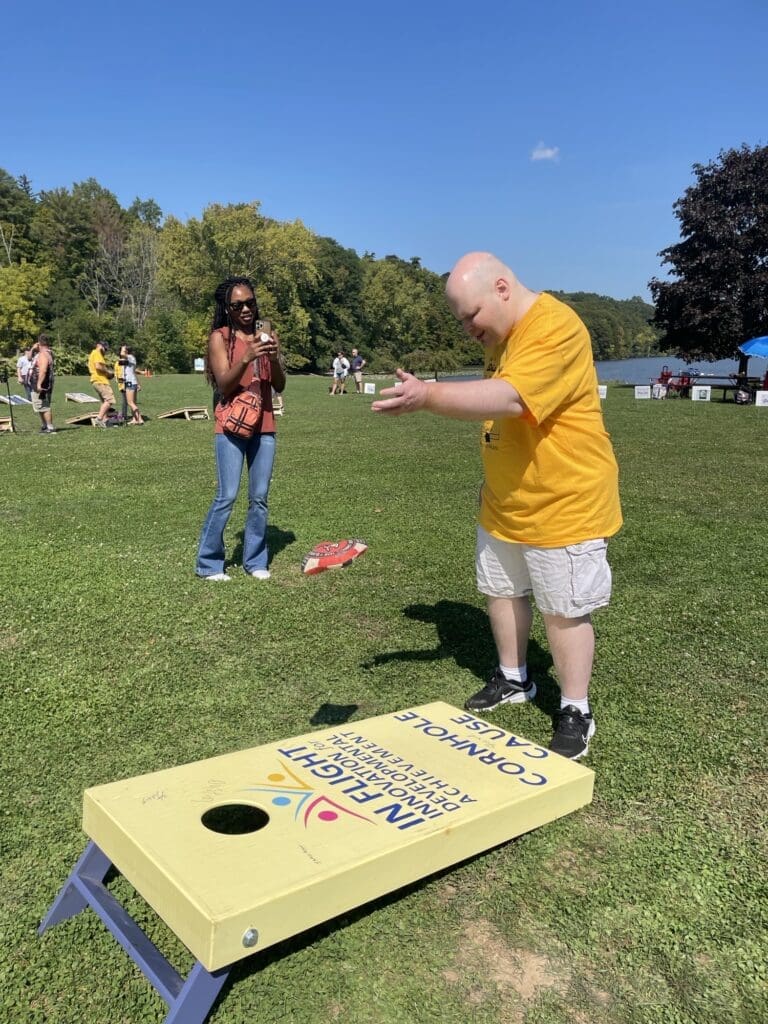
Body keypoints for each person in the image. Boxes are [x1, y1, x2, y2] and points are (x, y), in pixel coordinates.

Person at [372, 252, 622, 759]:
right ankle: (513, 677)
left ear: (503, 288)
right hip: (506, 502)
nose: (468, 330)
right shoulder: (502, 336)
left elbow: (510, 399)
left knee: (564, 610)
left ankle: (576, 708)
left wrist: (428, 396)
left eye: (472, 316)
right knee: (502, 591)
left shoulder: (555, 328)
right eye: (461, 320)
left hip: (564, 501)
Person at [195, 275, 286, 581]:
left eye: (250, 302)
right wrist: (246, 357)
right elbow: (224, 382)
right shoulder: (220, 338)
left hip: (265, 424)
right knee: (227, 495)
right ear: (227, 308)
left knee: (259, 496)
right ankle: (208, 563)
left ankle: (256, 561)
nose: (246, 309)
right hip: (231, 426)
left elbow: (280, 385)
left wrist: (272, 359)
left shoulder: (267, 334)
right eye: (238, 305)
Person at [29, 334, 56, 433]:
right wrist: (33, 349)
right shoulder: (48, 352)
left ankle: (50, 427)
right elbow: (29, 358)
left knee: (44, 406)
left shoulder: (43, 354)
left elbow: (43, 370)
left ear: (39, 343)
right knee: (40, 406)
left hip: (41, 384)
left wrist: (39, 384)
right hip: (44, 383)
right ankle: (45, 425)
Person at [88, 340, 116, 427]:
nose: (105, 351)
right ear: (99, 346)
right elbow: (98, 366)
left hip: (96, 380)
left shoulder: (94, 353)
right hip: (100, 381)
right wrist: (108, 373)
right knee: (110, 400)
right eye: (105, 349)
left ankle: (105, 421)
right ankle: (99, 419)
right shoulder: (97, 352)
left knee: (104, 401)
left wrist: (107, 374)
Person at [119, 345, 144, 424]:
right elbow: (120, 364)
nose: (121, 350)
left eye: (123, 349)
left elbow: (121, 355)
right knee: (133, 402)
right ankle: (134, 419)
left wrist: (122, 351)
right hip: (132, 382)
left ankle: (139, 419)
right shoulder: (130, 358)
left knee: (130, 402)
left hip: (130, 382)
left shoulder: (130, 357)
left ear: (127, 350)